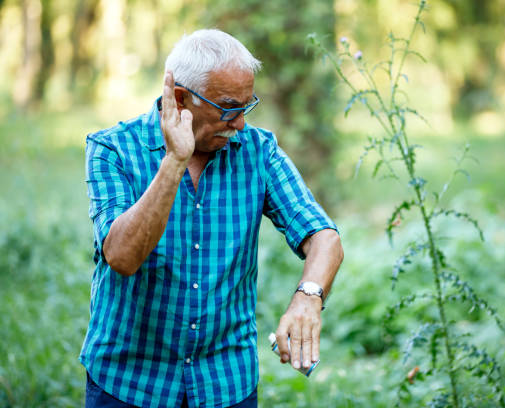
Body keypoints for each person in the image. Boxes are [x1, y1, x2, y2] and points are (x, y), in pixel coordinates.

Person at [81, 29, 343, 408]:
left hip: (225, 383)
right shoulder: (112, 149)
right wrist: (174, 161)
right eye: (227, 107)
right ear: (179, 98)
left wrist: (309, 296)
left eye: (246, 106)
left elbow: (324, 236)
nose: (238, 122)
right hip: (129, 383)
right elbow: (122, 257)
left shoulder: (258, 150)